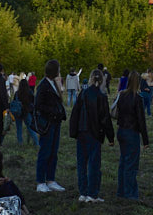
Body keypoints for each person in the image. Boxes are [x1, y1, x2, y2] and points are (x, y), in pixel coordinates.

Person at [69, 68, 112, 201]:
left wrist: (73, 131)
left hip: (81, 131)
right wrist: (111, 136)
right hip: (94, 132)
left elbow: (75, 112)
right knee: (94, 164)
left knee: (82, 163)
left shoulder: (83, 93)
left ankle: (83, 192)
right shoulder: (101, 96)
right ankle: (92, 193)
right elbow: (105, 118)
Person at [114, 72, 150, 200]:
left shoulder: (121, 95)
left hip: (121, 130)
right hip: (132, 132)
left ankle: (121, 191)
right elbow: (141, 120)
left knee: (123, 162)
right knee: (131, 164)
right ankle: (130, 193)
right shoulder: (137, 98)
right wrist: (145, 140)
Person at [35, 60, 68, 193]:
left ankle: (50, 179)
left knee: (53, 152)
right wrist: (52, 111)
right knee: (45, 151)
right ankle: (41, 181)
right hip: (48, 123)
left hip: (55, 122)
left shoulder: (53, 83)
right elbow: (38, 105)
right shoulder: (43, 85)